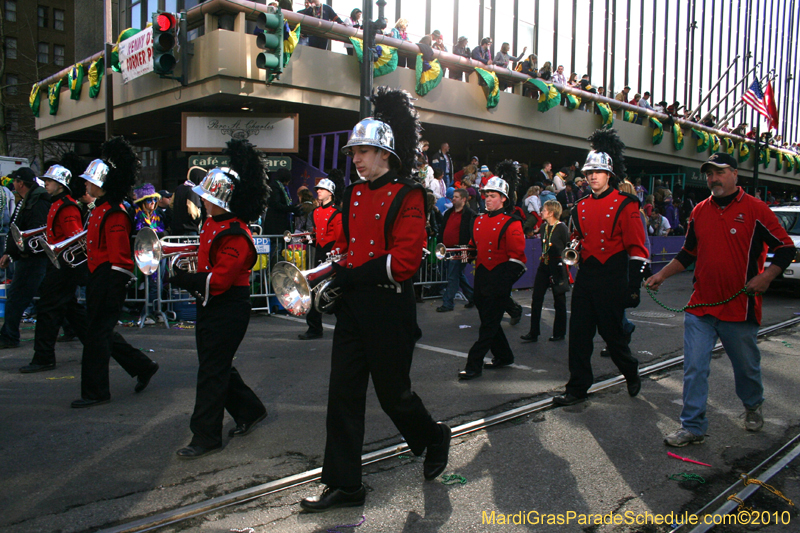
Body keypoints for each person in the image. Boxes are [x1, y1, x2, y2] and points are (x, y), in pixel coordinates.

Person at [300, 87, 450, 512]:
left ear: (386, 154)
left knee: (393, 395)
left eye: (364, 151)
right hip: (354, 307)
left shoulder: (410, 195)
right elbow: (348, 248)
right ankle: (345, 484)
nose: (356, 159)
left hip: (388, 307)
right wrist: (332, 278)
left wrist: (350, 274)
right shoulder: (352, 194)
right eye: (354, 152)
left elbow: (403, 262)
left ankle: (433, 435)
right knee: (342, 394)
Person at [646, 153, 797, 446]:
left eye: (720, 172)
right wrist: (661, 275)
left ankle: (753, 406)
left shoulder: (756, 209)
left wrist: (766, 277)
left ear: (735, 174)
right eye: (709, 174)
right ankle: (692, 426)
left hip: (740, 308)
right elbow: (688, 253)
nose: (713, 179)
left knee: (746, 368)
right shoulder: (700, 211)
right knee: (694, 367)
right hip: (701, 305)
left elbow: (785, 248)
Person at [167, 140, 270, 458]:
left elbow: (221, 280)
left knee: (212, 369)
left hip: (228, 305)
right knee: (216, 365)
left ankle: (205, 435)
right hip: (212, 304)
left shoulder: (237, 233)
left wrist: (185, 278)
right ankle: (250, 410)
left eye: (210, 197)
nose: (204, 202)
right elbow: (206, 260)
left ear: (223, 200)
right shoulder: (214, 222)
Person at [553, 129, 650, 406]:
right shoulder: (580, 206)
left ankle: (630, 370)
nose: (592, 176)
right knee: (579, 335)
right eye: (589, 172)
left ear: (609, 175)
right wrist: (576, 246)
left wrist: (633, 286)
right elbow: (581, 238)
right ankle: (577, 388)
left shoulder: (626, 204)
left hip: (613, 276)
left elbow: (637, 248)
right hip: (588, 275)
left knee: (613, 336)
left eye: (598, 171)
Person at [72, 137, 159, 408]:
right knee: (101, 333)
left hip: (109, 279)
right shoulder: (101, 209)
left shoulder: (115, 212)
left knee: (96, 337)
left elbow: (120, 257)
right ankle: (142, 366)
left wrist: (107, 282)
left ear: (101, 184)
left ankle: (96, 391)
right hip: (99, 276)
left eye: (89, 181)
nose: (85, 185)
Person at [458, 172, 526, 380]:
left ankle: (473, 364)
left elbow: (518, 259)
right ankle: (504, 356)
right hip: (482, 277)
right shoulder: (478, 221)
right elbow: (474, 248)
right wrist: (464, 254)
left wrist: (504, 283)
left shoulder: (512, 223)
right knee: (490, 321)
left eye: (492, 195)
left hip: (499, 278)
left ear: (503, 198)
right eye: (486, 195)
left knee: (488, 325)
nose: (487, 198)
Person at [18, 163, 85, 373]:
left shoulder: (67, 207)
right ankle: (108, 347)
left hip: (62, 267)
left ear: (60, 184)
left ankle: (44, 357)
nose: (45, 183)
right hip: (58, 266)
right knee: (76, 315)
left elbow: (75, 239)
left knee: (47, 312)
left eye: (49, 181)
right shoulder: (57, 204)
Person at [0, 168, 50, 349]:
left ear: (21, 183)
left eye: (15, 181)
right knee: (53, 297)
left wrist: (20, 250)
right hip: (28, 257)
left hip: (32, 258)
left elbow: (33, 231)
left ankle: (9, 335)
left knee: (16, 297)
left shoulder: (37, 202)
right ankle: (72, 327)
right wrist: (10, 252)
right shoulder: (28, 200)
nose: (13, 184)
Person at [299, 171, 344, 340]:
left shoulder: (337, 213)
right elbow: (318, 234)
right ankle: (314, 328)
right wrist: (309, 239)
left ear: (330, 193)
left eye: (322, 190)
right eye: (317, 189)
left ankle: (344, 327)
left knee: (337, 292)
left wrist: (335, 256)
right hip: (319, 253)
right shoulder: (315, 212)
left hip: (333, 255)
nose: (318, 191)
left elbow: (340, 238)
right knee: (313, 290)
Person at [521, 200, 569, 343]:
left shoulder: (562, 228)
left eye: (544, 210)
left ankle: (559, 332)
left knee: (559, 299)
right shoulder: (543, 227)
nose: (541, 212)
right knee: (537, 298)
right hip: (544, 263)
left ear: (551, 212)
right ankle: (533, 332)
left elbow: (567, 246)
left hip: (557, 264)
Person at [437, 188, 476, 312]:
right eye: (453, 196)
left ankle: (448, 303)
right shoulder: (449, 213)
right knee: (458, 275)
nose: (453, 198)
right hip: (447, 249)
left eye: (456, 197)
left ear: (464, 199)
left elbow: (472, 233)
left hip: (461, 249)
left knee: (453, 276)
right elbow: (443, 228)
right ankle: (472, 297)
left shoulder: (470, 214)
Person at [171, 166, 204, 236]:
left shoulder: (179, 188)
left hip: (176, 229)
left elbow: (171, 204)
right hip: (189, 230)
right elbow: (192, 212)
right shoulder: (192, 190)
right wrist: (200, 218)